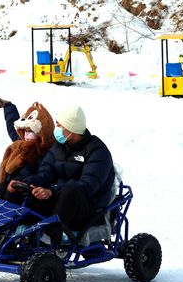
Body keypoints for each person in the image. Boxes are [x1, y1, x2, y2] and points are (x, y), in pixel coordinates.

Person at [7, 105, 115, 245]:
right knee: (11, 186)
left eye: (59, 125)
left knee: (71, 189)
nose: (56, 129)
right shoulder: (58, 147)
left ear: (71, 128)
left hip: (87, 209)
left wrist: (52, 191)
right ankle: (8, 232)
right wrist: (23, 183)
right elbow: (44, 175)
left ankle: (49, 237)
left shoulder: (98, 151)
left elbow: (87, 186)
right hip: (58, 203)